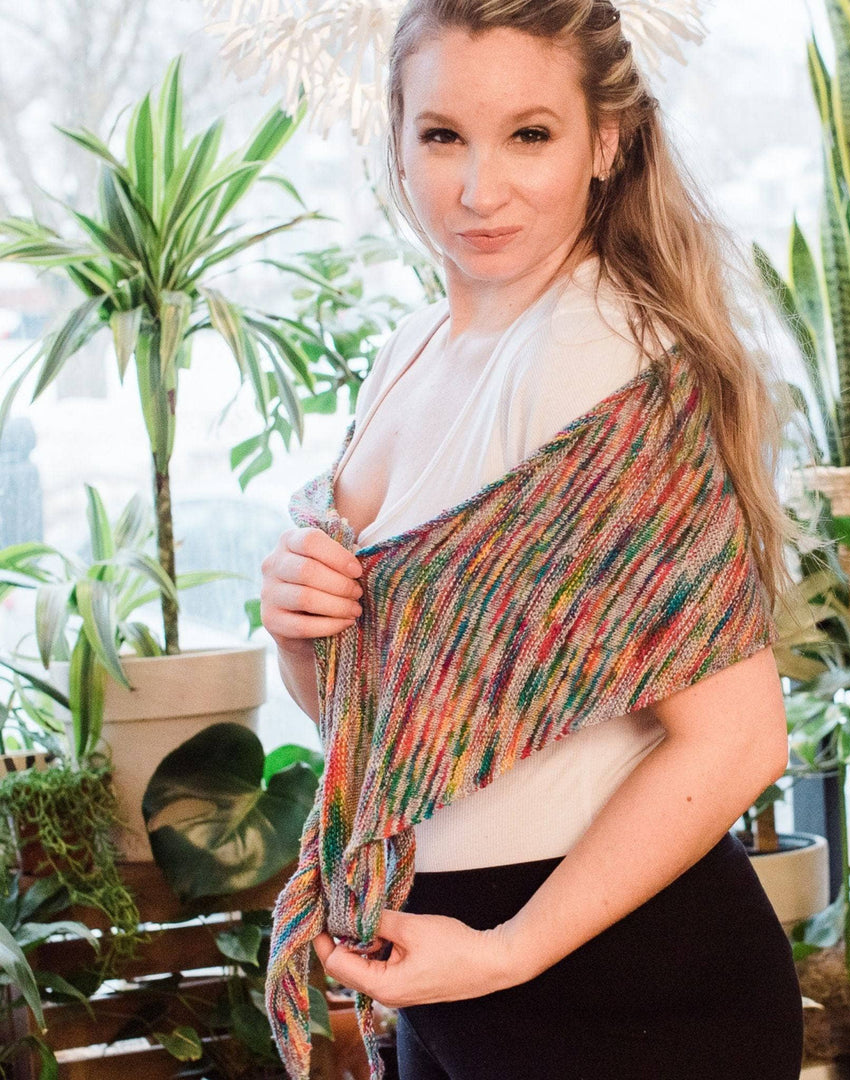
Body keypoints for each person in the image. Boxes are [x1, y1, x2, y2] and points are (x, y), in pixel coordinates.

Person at [260, 1, 806, 1076]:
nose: (479, 189)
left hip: (616, 992)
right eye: (443, 136)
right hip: (454, 973)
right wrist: (297, 628)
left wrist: (508, 954)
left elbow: (739, 738)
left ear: (606, 142)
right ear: (396, 133)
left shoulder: (596, 353)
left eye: (530, 135)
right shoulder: (414, 349)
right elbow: (410, 731)